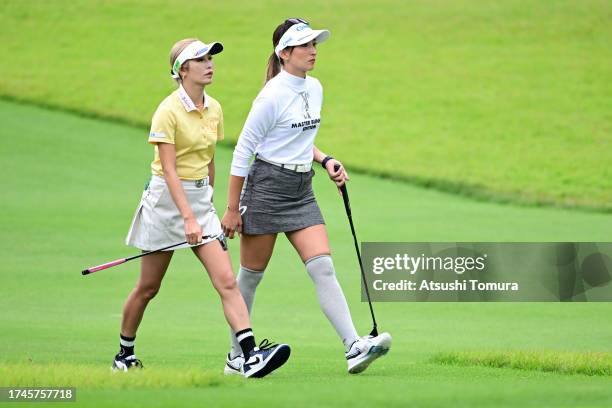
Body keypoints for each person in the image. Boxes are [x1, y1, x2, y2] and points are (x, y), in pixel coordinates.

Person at [220, 19, 391, 375]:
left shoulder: (315, 88)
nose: (313, 51)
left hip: (301, 191)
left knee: (323, 267)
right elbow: (243, 152)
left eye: (314, 44)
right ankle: (237, 356)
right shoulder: (270, 96)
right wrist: (232, 209)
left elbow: (297, 138)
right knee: (251, 276)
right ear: (284, 53)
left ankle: (353, 346)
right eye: (305, 46)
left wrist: (325, 159)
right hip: (266, 187)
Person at [114, 38, 290, 378]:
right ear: (183, 70)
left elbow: (208, 160)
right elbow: (169, 170)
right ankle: (125, 353)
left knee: (226, 281)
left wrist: (210, 206)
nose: (210, 65)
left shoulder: (215, 108)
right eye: (201, 60)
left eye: (211, 59)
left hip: (199, 203)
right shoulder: (167, 111)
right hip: (166, 203)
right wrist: (188, 217)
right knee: (149, 287)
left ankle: (248, 356)